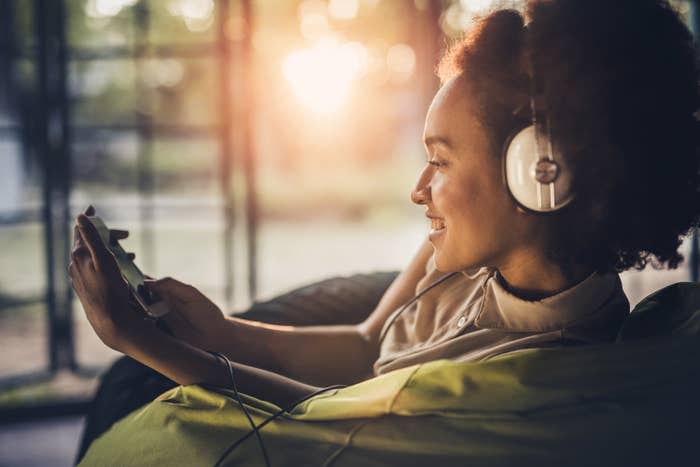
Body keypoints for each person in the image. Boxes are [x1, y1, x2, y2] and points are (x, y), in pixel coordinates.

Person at [69, 0, 699, 437]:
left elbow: (337, 416)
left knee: (133, 380)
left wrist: (141, 338)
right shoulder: (455, 254)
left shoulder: (535, 374)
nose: (418, 189)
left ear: (539, 172)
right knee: (134, 376)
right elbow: (370, 347)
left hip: (350, 403)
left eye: (441, 162)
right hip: (371, 332)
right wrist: (221, 330)